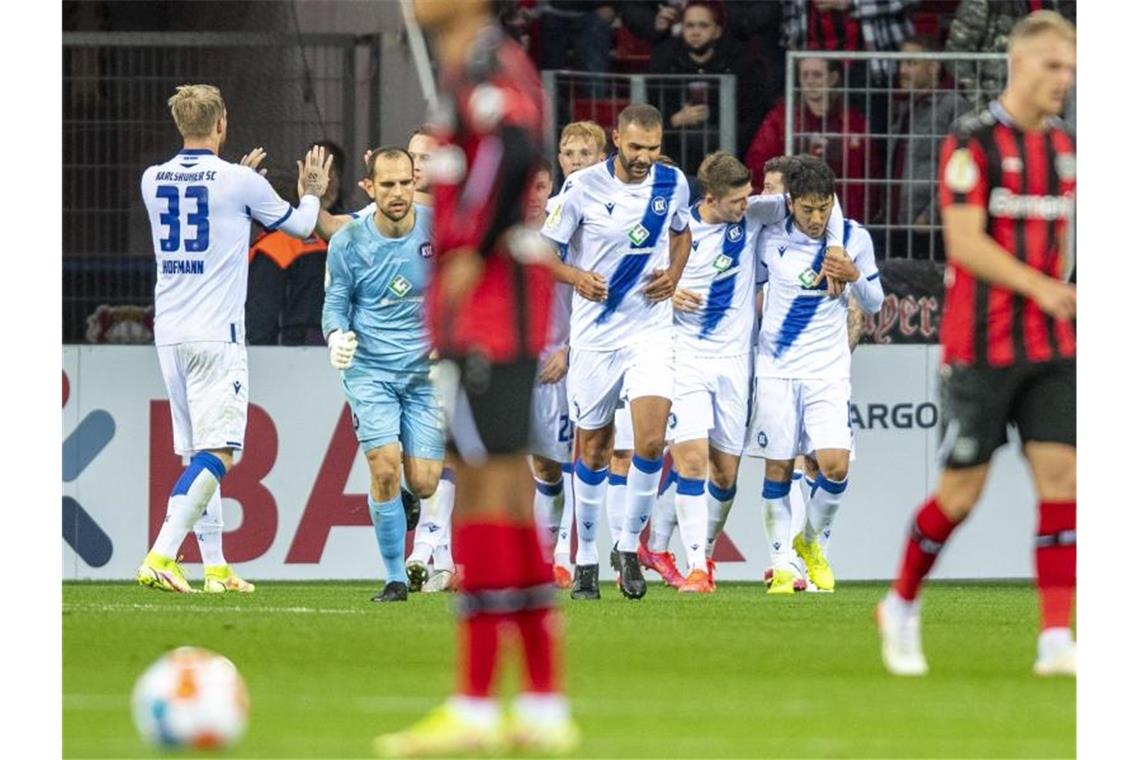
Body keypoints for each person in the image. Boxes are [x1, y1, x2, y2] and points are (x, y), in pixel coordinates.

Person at [375, 1, 579, 755]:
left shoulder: (486, 65)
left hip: (490, 322)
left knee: (482, 500)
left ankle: (475, 706)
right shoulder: (480, 64)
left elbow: (518, 147)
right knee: (505, 504)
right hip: (500, 321)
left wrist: (469, 249)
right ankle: (543, 704)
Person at [877, 11, 1076, 678]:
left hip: (1051, 345)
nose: (1064, 81)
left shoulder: (1067, 152)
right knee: (961, 494)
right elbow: (963, 244)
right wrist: (1043, 288)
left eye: (1071, 70)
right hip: (980, 345)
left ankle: (1055, 638)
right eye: (1053, 67)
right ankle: (901, 604)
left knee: (1062, 480)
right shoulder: (973, 144)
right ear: (1019, 65)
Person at [136, 84, 331, 593]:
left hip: (171, 334)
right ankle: (161, 554)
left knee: (197, 453)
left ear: (182, 124)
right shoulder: (238, 181)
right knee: (220, 453)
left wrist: (242, 188)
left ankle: (216, 567)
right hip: (215, 338)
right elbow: (303, 226)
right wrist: (311, 189)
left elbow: (214, 224)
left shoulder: (151, 179)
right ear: (221, 123)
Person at [665, 152, 847, 593]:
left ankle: (704, 552)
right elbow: (637, 272)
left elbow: (822, 198)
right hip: (684, 357)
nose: (750, 206)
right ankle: (695, 567)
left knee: (725, 476)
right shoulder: (680, 228)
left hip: (734, 364)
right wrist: (668, 291)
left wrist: (838, 244)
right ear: (711, 199)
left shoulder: (753, 213)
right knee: (690, 462)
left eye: (751, 198)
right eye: (739, 202)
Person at [542, 103, 693, 601]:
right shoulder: (581, 188)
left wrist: (673, 274)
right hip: (596, 336)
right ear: (616, 140)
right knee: (594, 449)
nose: (645, 157)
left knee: (650, 443)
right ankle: (585, 557)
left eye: (652, 148)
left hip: (649, 330)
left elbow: (681, 231)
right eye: (635, 148)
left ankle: (628, 548)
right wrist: (577, 277)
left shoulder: (672, 183)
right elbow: (546, 254)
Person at [747, 156, 883, 595]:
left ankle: (809, 545)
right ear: (790, 202)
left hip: (827, 369)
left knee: (835, 466)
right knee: (778, 467)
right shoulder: (768, 234)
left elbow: (876, 301)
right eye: (807, 209)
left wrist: (854, 275)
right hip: (777, 368)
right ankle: (781, 563)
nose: (816, 217)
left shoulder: (853, 238)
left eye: (824, 207)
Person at [321, 147, 446, 603]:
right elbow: (335, 304)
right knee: (385, 469)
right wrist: (336, 336)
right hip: (370, 369)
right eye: (387, 184)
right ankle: (395, 577)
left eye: (404, 182)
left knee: (426, 482)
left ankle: (402, 498)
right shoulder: (349, 241)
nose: (397, 192)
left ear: (415, 183)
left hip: (424, 373)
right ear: (369, 188)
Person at [533, 122, 608, 590]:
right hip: (535, 356)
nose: (575, 159)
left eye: (585, 151)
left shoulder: (605, 215)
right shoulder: (549, 213)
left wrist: (572, 348)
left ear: (603, 156)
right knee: (543, 462)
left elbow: (610, 291)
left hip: (584, 352)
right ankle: (546, 557)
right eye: (568, 151)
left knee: (586, 456)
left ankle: (574, 553)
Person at [745, 57, 879, 223]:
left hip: (842, 214)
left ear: (833, 78)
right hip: (790, 216)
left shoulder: (853, 122)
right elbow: (758, 161)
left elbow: (869, 173)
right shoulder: (781, 118)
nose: (810, 81)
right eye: (805, 75)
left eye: (817, 75)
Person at [245, 141, 346, 346]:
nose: (323, 178)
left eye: (329, 169)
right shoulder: (278, 242)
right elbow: (260, 323)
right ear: (301, 174)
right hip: (293, 360)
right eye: (314, 168)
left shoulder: (357, 233)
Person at [647, 1, 761, 175]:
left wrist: (715, 115)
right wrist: (673, 121)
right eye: (690, 25)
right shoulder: (664, 60)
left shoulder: (740, 62)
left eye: (703, 25)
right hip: (675, 152)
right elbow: (649, 110)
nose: (695, 32)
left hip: (728, 155)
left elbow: (752, 116)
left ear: (717, 31)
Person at [886, 35, 970, 259]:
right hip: (899, 221)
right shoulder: (905, 106)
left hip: (929, 226)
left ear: (933, 67)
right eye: (901, 63)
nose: (902, 70)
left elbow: (961, 167)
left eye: (912, 63)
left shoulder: (953, 105)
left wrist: (931, 216)